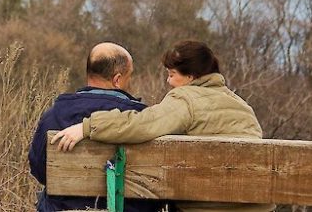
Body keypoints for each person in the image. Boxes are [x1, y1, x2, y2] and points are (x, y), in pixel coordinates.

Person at [51, 40, 274, 212]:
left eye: (172, 75)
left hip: (208, 207)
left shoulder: (185, 99)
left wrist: (88, 127)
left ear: (191, 77)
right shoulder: (242, 106)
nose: (168, 82)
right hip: (257, 205)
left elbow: (141, 124)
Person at [29, 42, 163, 212]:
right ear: (117, 79)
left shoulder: (53, 115)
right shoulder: (140, 118)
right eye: (130, 76)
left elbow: (39, 169)